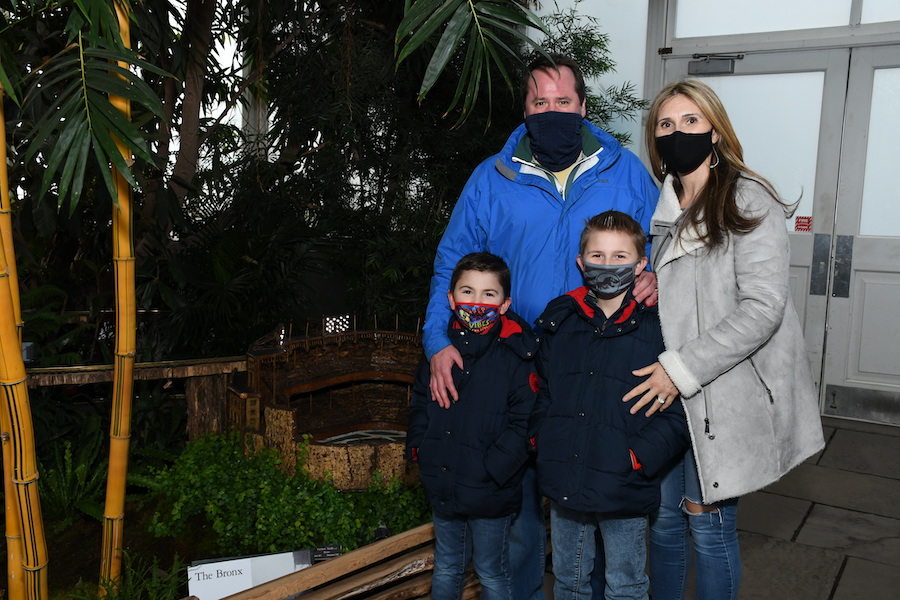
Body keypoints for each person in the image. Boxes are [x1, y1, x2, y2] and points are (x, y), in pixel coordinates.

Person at [422, 52, 660, 600]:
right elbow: (450, 263)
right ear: (525, 109)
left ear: (582, 105)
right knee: (519, 501)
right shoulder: (492, 178)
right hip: (515, 363)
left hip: (604, 361)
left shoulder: (625, 172)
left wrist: (659, 284)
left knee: (602, 496)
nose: (552, 110)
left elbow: (666, 250)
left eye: (563, 101)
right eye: (540, 102)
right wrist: (437, 340)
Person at [622, 79, 826, 600]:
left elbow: (762, 308)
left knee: (707, 527)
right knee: (665, 523)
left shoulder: (745, 198)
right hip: (668, 395)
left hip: (719, 391)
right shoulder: (662, 207)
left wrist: (679, 370)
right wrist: (650, 282)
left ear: (715, 131)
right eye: (665, 124)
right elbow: (684, 289)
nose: (677, 133)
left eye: (690, 121)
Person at [531, 211, 690, 600]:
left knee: (627, 585)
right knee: (569, 581)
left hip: (624, 482)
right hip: (565, 473)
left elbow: (681, 409)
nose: (607, 265)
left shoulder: (662, 325)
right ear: (579, 261)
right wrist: (542, 440)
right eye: (597, 255)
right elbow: (542, 388)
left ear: (641, 264)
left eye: (620, 256)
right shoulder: (560, 319)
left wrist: (637, 457)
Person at [408, 252, 539, 600]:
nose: (476, 303)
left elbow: (525, 421)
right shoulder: (439, 353)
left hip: (491, 490)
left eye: (488, 294)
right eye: (467, 292)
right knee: (448, 565)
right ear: (451, 299)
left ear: (505, 302)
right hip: (444, 480)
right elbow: (421, 400)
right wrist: (423, 448)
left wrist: (496, 468)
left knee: (491, 570)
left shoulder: (517, 355)